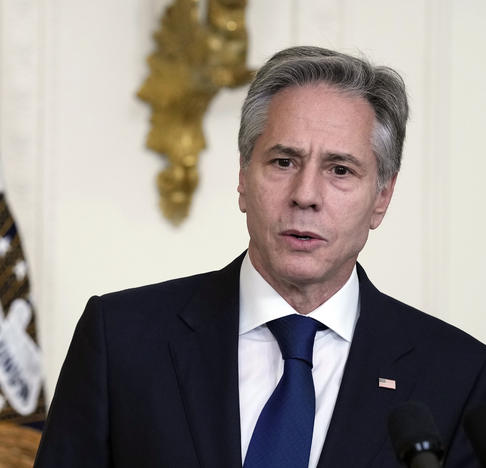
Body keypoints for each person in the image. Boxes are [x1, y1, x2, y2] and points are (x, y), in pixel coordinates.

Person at [34, 46, 486, 467]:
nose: (306, 195)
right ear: (243, 179)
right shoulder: (122, 339)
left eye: (340, 170)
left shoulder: (457, 375)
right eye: (283, 162)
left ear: (382, 197)